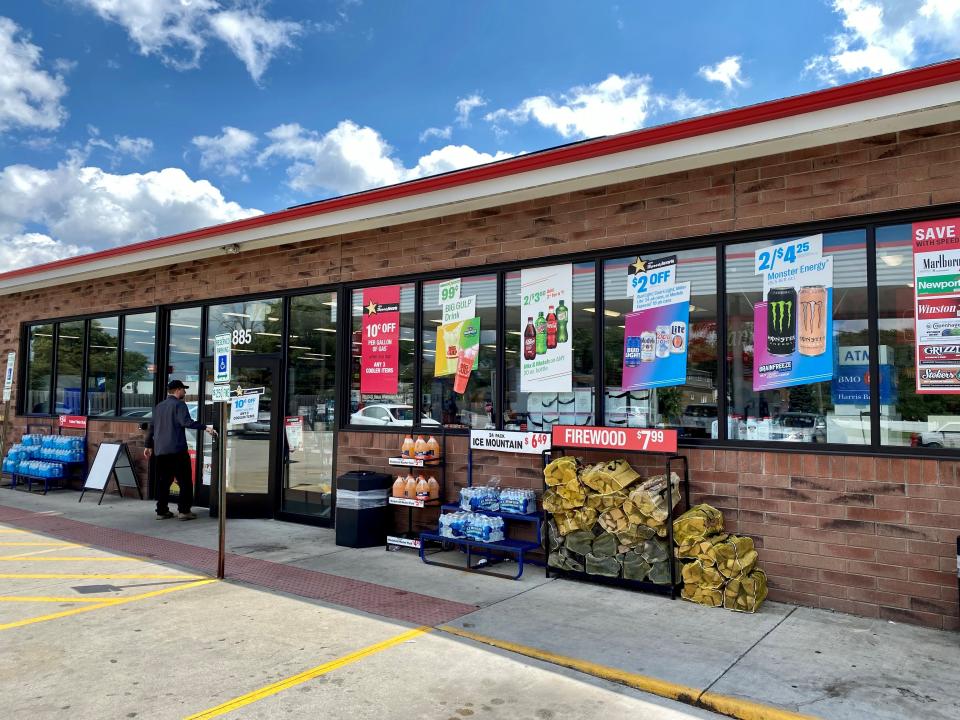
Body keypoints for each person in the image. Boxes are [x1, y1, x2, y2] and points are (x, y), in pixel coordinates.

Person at [144, 380, 217, 520]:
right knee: (185, 482)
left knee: (164, 482)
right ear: (177, 390)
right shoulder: (179, 404)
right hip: (177, 451)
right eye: (184, 389)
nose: (185, 392)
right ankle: (184, 511)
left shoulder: (159, 406)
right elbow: (186, 422)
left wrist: (148, 446)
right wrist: (205, 427)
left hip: (161, 451)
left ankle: (161, 511)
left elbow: (152, 427)